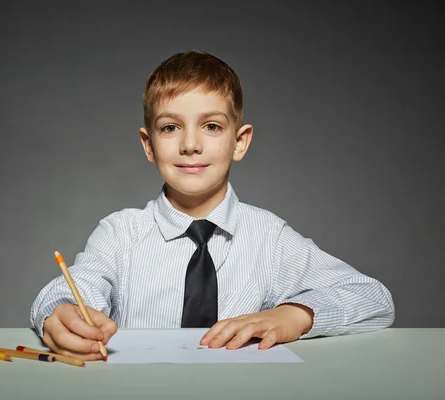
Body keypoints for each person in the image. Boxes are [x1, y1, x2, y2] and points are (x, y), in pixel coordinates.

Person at [30, 50, 395, 361]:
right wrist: (60, 313)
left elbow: (372, 297)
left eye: (212, 126)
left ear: (240, 141)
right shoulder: (120, 233)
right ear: (149, 144)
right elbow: (79, 285)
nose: (190, 144)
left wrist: (294, 316)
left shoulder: (269, 237)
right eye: (171, 127)